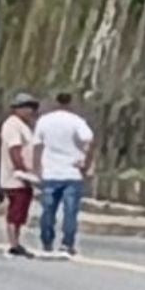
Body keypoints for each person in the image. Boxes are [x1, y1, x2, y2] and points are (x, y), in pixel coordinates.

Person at [33, 92, 95, 258]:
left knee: (48, 210)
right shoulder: (76, 121)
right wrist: (85, 163)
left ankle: (47, 242)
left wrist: (37, 168)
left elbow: (37, 146)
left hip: (50, 172)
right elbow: (89, 140)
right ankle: (67, 244)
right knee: (70, 211)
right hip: (72, 173)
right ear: (71, 103)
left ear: (55, 102)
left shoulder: (44, 121)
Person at [0, 94, 39, 258]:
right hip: (15, 177)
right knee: (16, 210)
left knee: (21, 210)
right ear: (19, 109)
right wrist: (22, 170)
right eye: (28, 108)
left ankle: (16, 241)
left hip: (22, 177)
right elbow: (14, 150)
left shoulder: (22, 125)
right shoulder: (13, 125)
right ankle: (13, 243)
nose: (31, 111)